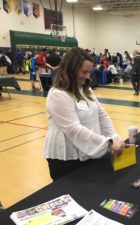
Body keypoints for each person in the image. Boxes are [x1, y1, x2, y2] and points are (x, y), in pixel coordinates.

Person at [44, 47, 126, 181]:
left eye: (90, 72)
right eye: (84, 72)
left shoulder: (85, 89)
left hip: (87, 153)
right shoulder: (58, 95)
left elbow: (101, 115)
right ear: (71, 70)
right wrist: (108, 143)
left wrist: (114, 137)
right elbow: (74, 129)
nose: (88, 76)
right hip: (66, 159)